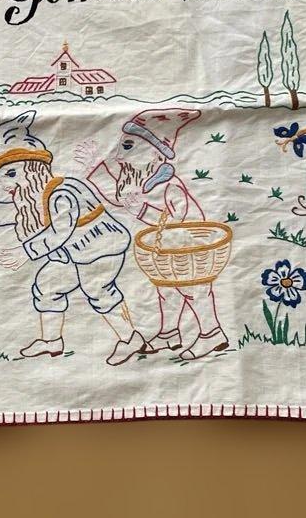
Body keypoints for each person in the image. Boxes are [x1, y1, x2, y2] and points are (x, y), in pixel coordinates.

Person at [0, 110, 148, 365]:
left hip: (100, 249)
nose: (7, 185)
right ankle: (51, 341)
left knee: (98, 289)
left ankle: (131, 339)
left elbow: (60, 232)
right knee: (47, 286)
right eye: (2, 179)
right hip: (73, 255)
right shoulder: (35, 198)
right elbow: (16, 211)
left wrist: (25, 252)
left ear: (33, 168)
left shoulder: (63, 193)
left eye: (11, 174)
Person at [86, 107, 228, 361]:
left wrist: (142, 210)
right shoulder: (139, 181)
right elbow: (114, 194)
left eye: (127, 146)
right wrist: (95, 164)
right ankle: (169, 333)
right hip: (165, 251)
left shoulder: (169, 186)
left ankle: (211, 333)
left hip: (191, 249)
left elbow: (178, 222)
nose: (118, 155)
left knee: (194, 290)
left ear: (153, 151)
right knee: (167, 291)